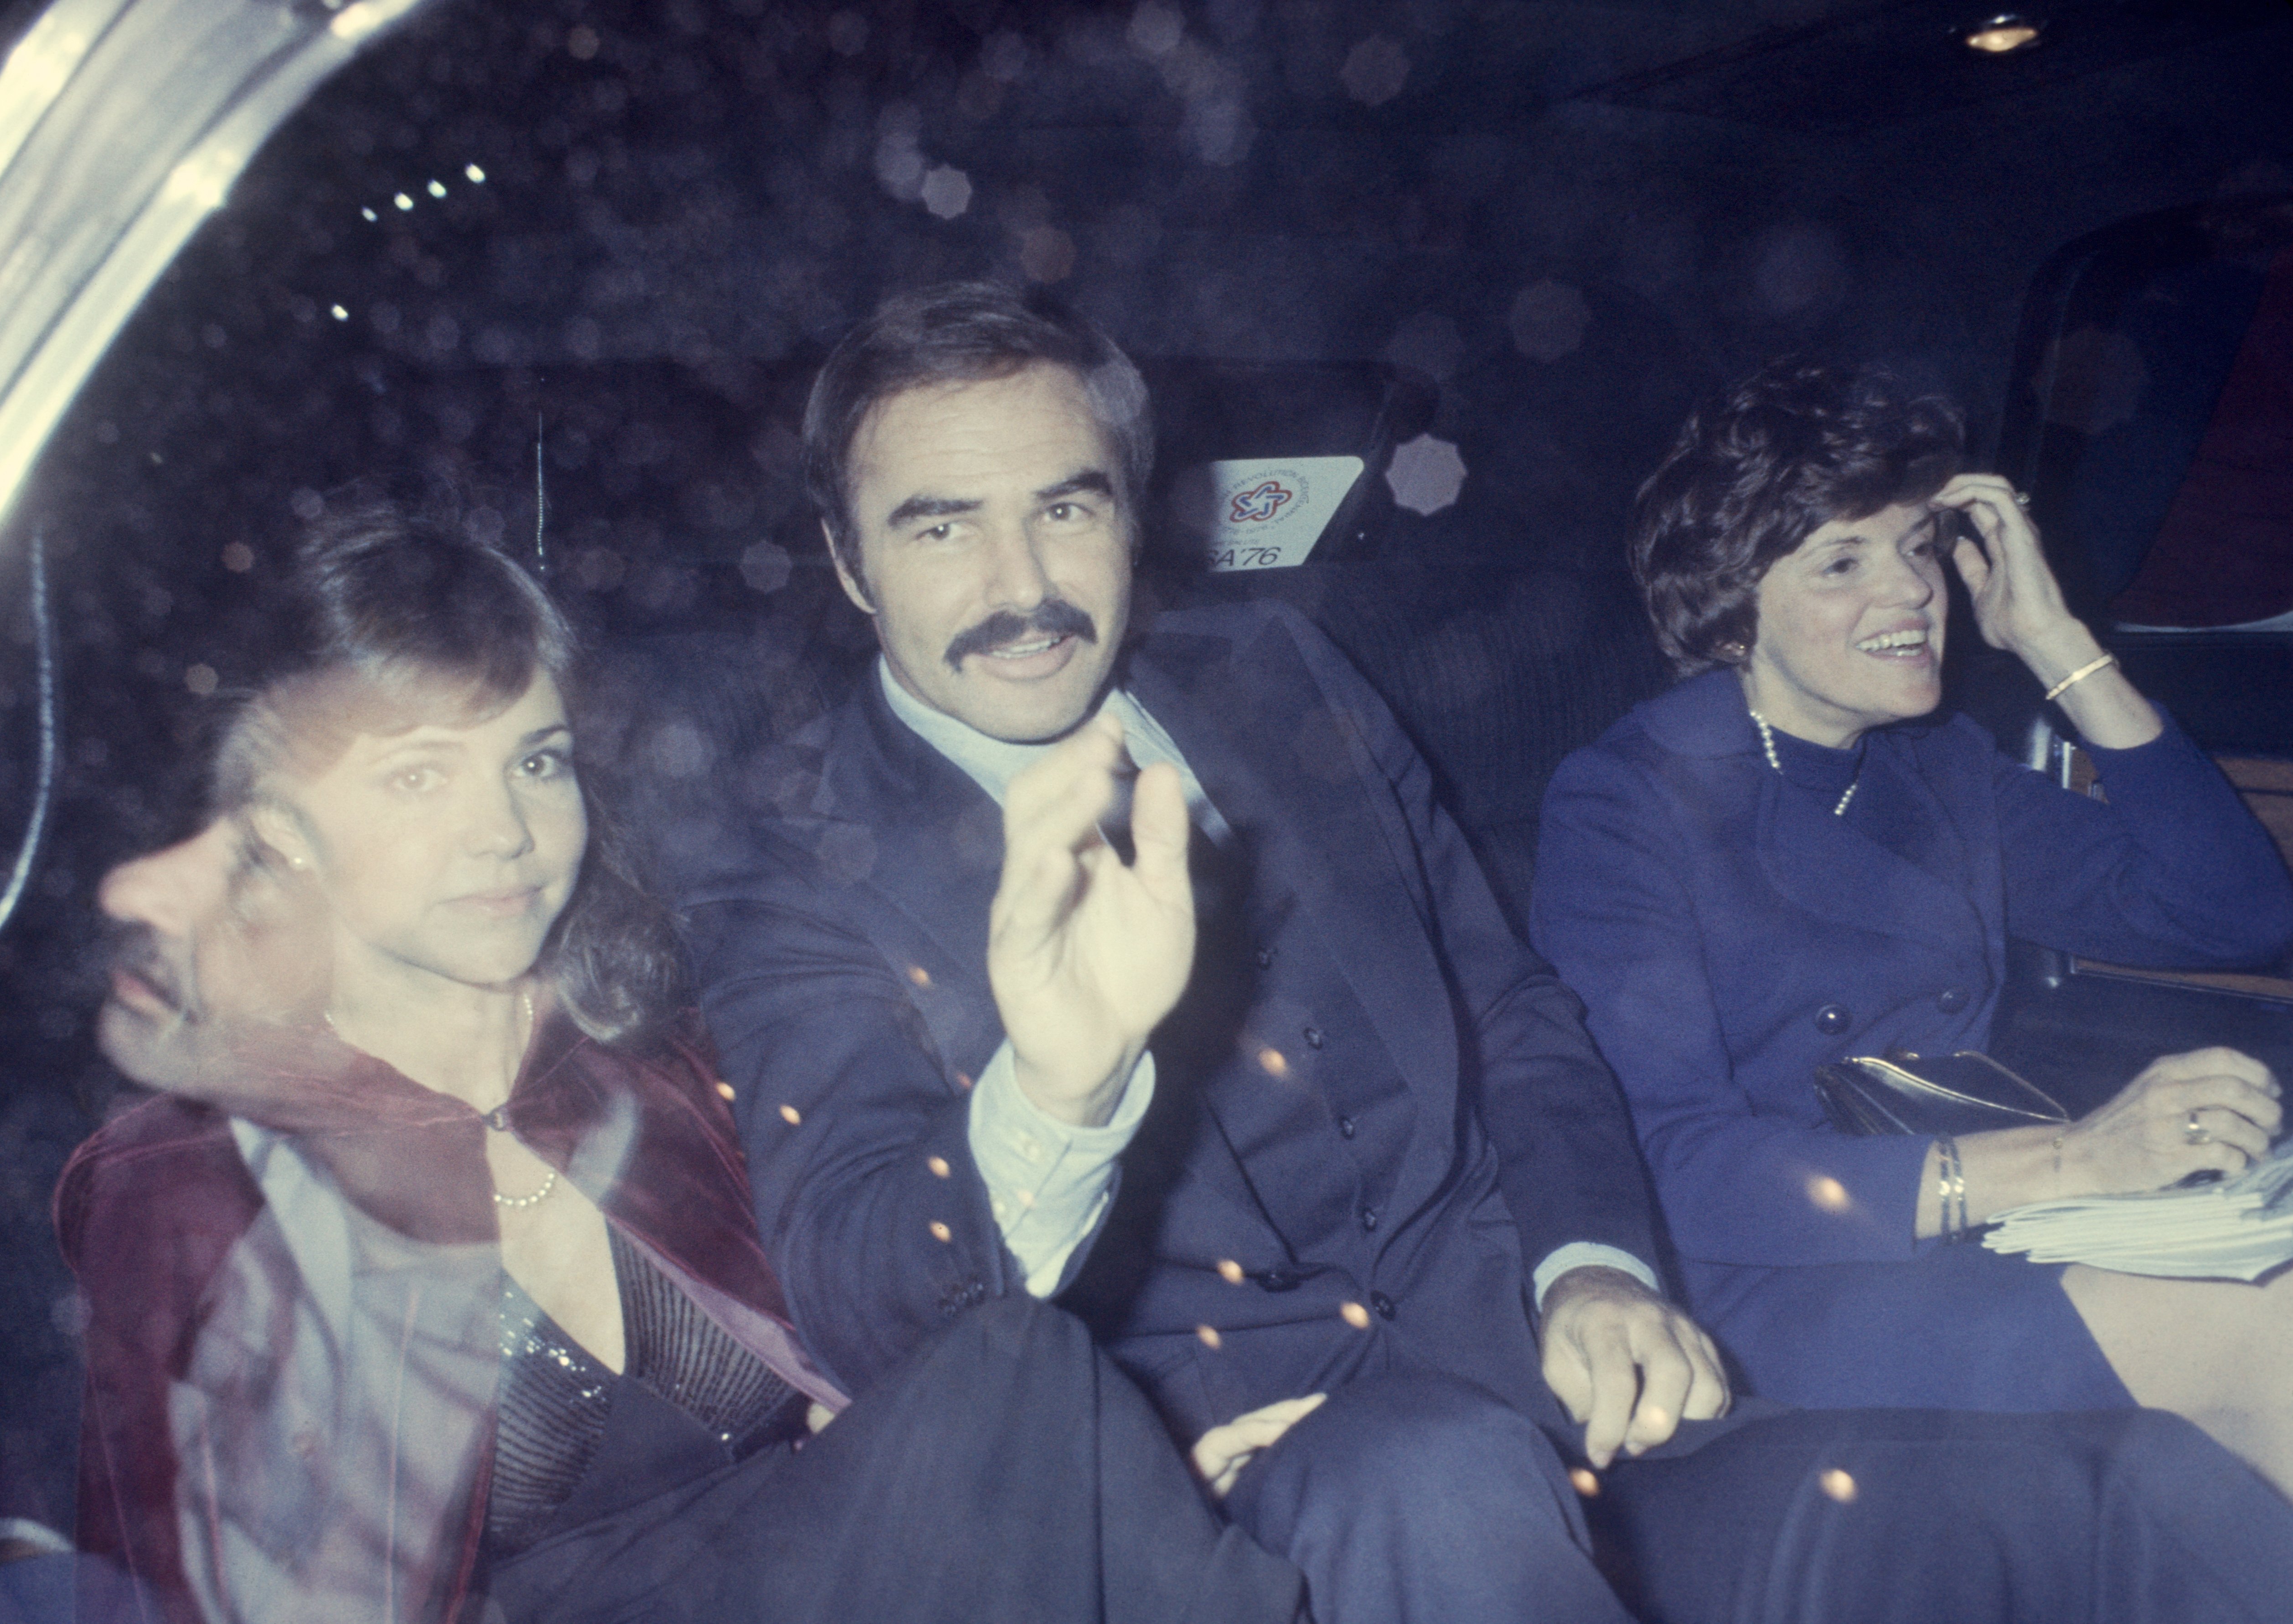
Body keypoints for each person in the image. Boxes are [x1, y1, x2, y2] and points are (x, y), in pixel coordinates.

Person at [681, 282, 2293, 1624]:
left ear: (1129, 516)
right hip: (1242, 1477)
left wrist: (1587, 1263)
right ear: (846, 562)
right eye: (941, 527)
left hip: (1564, 1389)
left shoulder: (1281, 678)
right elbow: (860, 1289)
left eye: (1065, 507)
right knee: (1433, 1478)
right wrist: (1056, 1082)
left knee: (2142, 1493)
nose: (1021, 586)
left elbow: (1513, 1014)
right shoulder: (785, 869)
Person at [56, 498, 1309, 1624]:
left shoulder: (642, 1076)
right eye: (418, 775)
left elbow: (898, 1346)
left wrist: (1088, 1485)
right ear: (281, 829)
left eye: (535, 761)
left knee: (1028, 1374)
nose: (504, 831)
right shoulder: (199, 1181)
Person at [1530, 359, 2293, 1494]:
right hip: (1775, 1275)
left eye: (1917, 548)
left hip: (1995, 1216)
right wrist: (2070, 1159)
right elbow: (1672, 1160)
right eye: (1842, 561)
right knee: (2266, 1342)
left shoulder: (1939, 770)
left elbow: (2230, 911)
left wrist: (2054, 642)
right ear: (1730, 606)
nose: (1910, 593)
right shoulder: (1627, 800)